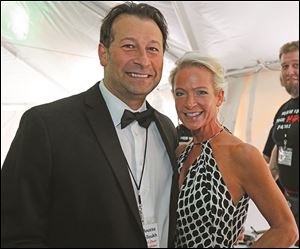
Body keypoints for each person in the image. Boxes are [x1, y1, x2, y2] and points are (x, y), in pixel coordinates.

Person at [1, 3, 179, 248]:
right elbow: (16, 234)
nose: (143, 60)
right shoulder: (45, 125)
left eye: (153, 49)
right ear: (103, 53)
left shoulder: (168, 129)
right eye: (129, 46)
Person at [169, 51, 298, 248]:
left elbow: (287, 230)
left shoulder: (241, 154)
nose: (189, 102)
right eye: (180, 93)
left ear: (219, 97)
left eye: (201, 92)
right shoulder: (179, 153)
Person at [269, 40, 299, 244]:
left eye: (296, 65)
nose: (289, 71)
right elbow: (276, 151)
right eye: (285, 66)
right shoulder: (283, 109)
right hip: (288, 199)